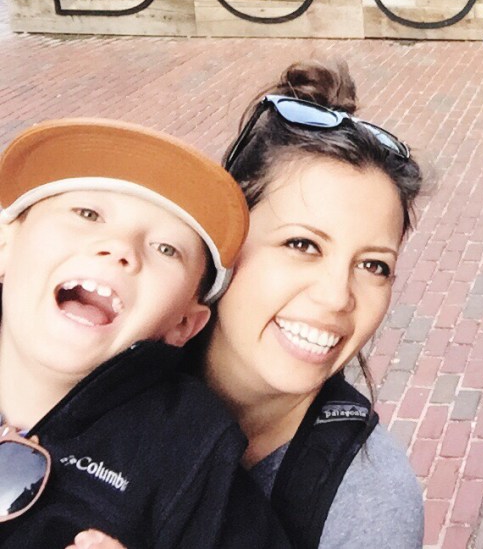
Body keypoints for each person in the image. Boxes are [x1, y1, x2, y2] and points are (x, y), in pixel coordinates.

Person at [0, 118, 289, 548]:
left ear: (184, 324)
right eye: (88, 213)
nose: (121, 248)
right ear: (5, 245)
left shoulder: (190, 450)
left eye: (166, 248)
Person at [195, 61, 425, 548]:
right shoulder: (101, 371)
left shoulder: (367, 508)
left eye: (373, 265)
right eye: (303, 244)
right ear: (225, 239)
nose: (337, 297)